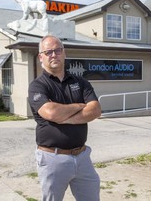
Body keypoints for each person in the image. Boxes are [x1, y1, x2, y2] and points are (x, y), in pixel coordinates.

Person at [28, 35, 101, 201]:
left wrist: (66, 118)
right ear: (41, 57)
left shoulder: (81, 82)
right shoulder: (38, 86)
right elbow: (51, 113)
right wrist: (80, 105)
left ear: (64, 53)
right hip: (53, 158)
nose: (54, 55)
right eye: (48, 52)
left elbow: (95, 110)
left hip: (82, 157)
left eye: (57, 50)